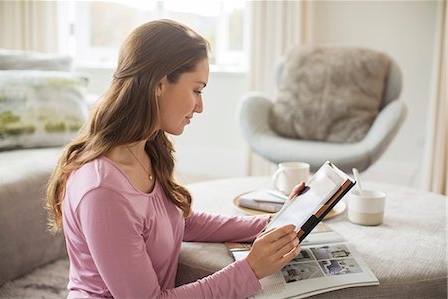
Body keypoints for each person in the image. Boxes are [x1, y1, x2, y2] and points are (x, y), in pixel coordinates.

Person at [46, 19, 304, 299]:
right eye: (197, 90)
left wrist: (273, 223)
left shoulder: (145, 148)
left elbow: (178, 221)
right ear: (160, 83)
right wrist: (250, 269)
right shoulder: (103, 190)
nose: (200, 106)